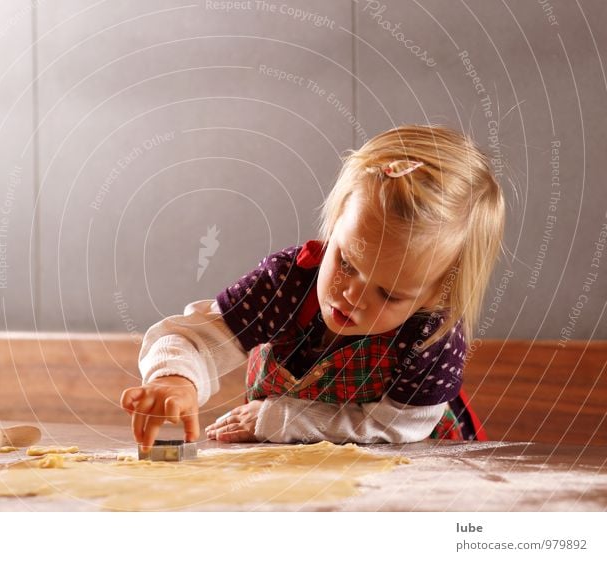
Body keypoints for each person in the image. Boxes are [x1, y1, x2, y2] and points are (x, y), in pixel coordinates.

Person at [120, 124, 505, 452]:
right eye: (347, 263)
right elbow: (198, 338)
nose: (351, 294)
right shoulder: (289, 282)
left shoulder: (430, 337)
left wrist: (281, 419)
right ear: (334, 225)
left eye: (388, 294)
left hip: (414, 467)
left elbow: (398, 426)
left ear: (439, 296)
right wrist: (174, 379)